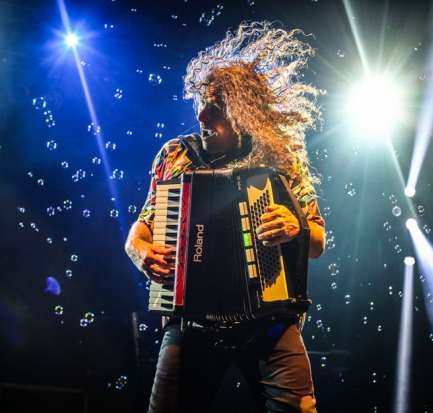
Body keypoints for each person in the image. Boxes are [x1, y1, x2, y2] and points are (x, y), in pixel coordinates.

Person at [125, 21, 326, 413]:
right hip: (190, 322)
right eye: (202, 100)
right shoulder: (176, 155)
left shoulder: (281, 158)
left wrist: (295, 226)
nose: (201, 113)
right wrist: (139, 250)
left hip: (270, 321)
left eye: (215, 105)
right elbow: (144, 224)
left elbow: (317, 242)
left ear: (244, 112)